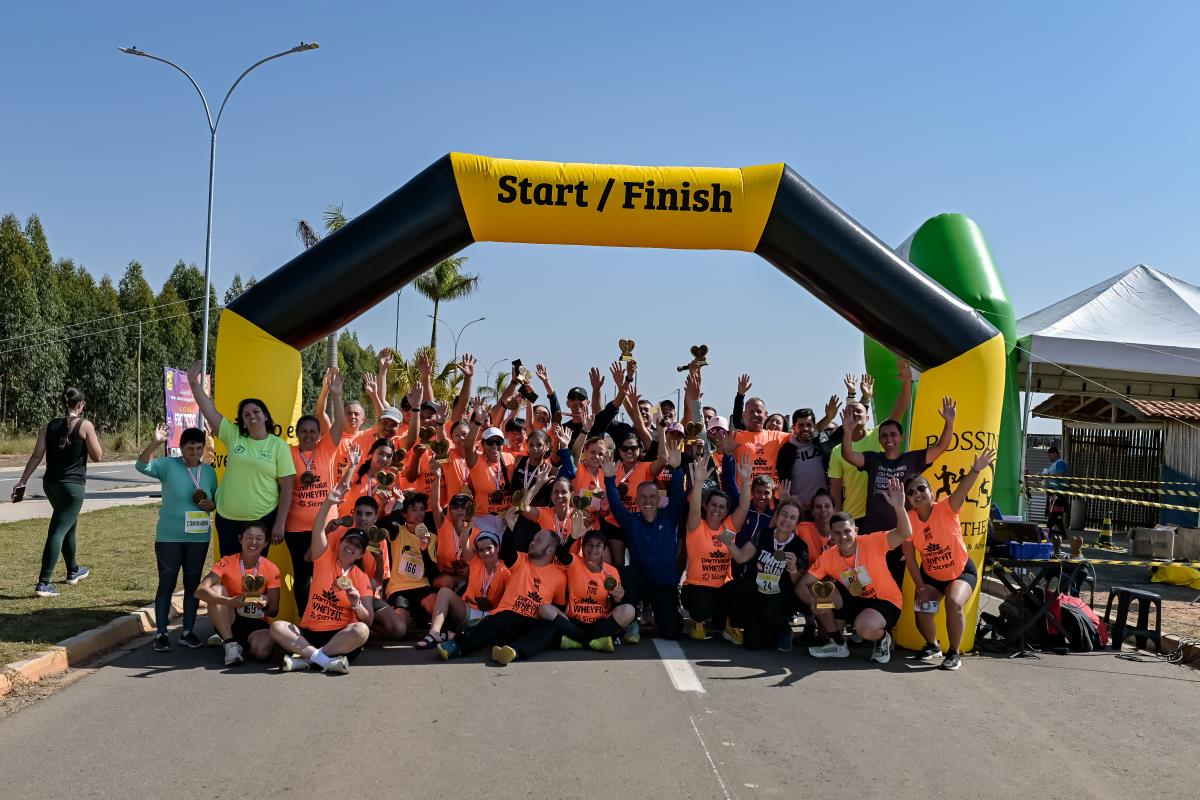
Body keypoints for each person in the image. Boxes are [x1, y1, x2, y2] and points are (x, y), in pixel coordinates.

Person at [797, 477, 911, 665]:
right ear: (831, 536)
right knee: (821, 590)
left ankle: (883, 639)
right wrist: (814, 603)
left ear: (855, 530)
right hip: (855, 598)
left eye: (847, 531)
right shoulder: (829, 556)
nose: (843, 536)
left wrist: (899, 507)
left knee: (864, 629)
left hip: (885, 602)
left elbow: (904, 533)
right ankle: (838, 643)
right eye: (837, 533)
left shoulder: (873, 542)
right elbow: (803, 585)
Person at [187, 361, 295, 559]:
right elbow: (209, 410)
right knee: (229, 573)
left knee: (253, 576)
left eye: (256, 412)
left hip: (261, 520)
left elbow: (287, 487)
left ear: (265, 416)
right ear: (242, 421)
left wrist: (280, 523)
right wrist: (193, 384)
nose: (251, 416)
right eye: (246, 414)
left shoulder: (278, 445)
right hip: (227, 519)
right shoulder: (234, 435)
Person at [904, 449, 995, 671]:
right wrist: (921, 586)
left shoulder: (947, 507)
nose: (917, 493)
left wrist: (976, 469)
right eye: (911, 491)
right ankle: (933, 645)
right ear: (908, 499)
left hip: (961, 572)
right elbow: (910, 560)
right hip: (932, 576)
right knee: (922, 611)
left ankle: (953, 653)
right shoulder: (908, 521)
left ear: (931, 492)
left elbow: (962, 489)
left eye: (921, 488)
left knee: (954, 603)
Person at [270, 485, 374, 674]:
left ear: (360, 554)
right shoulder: (324, 558)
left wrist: (357, 604)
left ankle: (308, 659)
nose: (351, 547)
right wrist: (327, 504)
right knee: (277, 626)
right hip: (310, 633)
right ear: (341, 542)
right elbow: (317, 530)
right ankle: (323, 660)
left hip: (339, 638)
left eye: (357, 546)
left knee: (361, 631)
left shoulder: (361, 577)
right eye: (349, 541)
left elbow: (369, 619)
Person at [436, 526, 572, 664]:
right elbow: (507, 552)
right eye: (533, 539)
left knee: (550, 625)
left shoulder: (559, 576)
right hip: (507, 620)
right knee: (502, 619)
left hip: (532, 623)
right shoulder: (521, 559)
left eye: (539, 540)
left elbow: (559, 608)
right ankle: (458, 646)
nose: (533, 542)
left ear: (550, 549)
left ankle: (514, 652)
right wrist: (510, 528)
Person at [15, 387, 103, 597]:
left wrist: (22, 481)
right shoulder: (85, 425)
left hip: (51, 484)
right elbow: (98, 456)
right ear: (81, 405)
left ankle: (73, 570)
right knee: (58, 530)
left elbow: (36, 456)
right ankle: (43, 582)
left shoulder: (48, 426)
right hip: (72, 487)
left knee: (68, 525)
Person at [136, 423, 217, 651]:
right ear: (181, 448)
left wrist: (211, 505)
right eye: (190, 448)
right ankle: (161, 633)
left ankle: (188, 631)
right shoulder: (168, 466)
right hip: (169, 537)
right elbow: (141, 465)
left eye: (199, 448)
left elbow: (215, 502)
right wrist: (155, 442)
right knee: (167, 583)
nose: (195, 453)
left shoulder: (209, 472)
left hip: (198, 538)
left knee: (193, 585)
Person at [602, 446, 686, 639]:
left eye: (652, 497)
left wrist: (677, 469)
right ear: (637, 500)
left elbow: (678, 497)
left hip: (665, 586)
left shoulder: (669, 517)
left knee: (672, 631)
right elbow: (615, 504)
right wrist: (609, 478)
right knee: (627, 572)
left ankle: (664, 613)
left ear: (658, 500)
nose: (647, 501)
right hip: (642, 585)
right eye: (643, 497)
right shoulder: (631, 522)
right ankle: (631, 619)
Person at [839, 396, 956, 533]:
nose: (889, 439)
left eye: (893, 434)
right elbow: (848, 455)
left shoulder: (912, 459)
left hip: (904, 533)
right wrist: (847, 431)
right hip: (874, 532)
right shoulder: (873, 459)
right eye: (884, 435)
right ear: (879, 439)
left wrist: (949, 422)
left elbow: (941, 447)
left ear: (901, 437)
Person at [284, 368, 345, 614]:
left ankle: (327, 619)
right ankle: (305, 621)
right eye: (304, 431)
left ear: (319, 434)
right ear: (297, 433)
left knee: (327, 573)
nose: (308, 435)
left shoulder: (326, 448)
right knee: (302, 575)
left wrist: (336, 395)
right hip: (296, 528)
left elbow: (340, 423)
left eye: (313, 431)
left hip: (327, 527)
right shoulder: (287, 453)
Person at [827, 364, 914, 523]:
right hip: (853, 517)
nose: (855, 414)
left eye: (859, 411)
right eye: (850, 411)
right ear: (844, 418)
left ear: (867, 418)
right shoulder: (837, 451)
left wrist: (907, 382)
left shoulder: (879, 435)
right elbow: (835, 491)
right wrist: (837, 520)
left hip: (884, 512)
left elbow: (900, 408)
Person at [681, 457, 752, 643]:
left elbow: (744, 507)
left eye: (722, 507)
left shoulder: (728, 527)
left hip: (722, 588)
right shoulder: (696, 526)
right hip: (697, 587)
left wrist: (745, 481)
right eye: (713, 504)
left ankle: (730, 626)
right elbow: (694, 508)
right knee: (703, 608)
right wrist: (698, 483)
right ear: (706, 505)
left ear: (726, 511)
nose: (717, 509)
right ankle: (698, 622)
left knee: (743, 588)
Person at [728, 497, 810, 652]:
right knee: (753, 644)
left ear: (797, 522)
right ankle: (746, 626)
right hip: (758, 593)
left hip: (781, 597)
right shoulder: (763, 534)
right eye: (784, 515)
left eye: (792, 518)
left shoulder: (800, 546)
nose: (787, 520)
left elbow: (798, 584)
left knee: (770, 613)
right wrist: (728, 542)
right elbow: (741, 557)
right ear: (777, 515)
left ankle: (785, 628)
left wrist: (792, 569)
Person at [195, 522, 281, 666]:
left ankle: (238, 647)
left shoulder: (271, 569)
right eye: (249, 537)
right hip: (230, 617)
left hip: (257, 622)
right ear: (240, 539)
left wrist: (264, 605)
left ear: (266, 543)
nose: (253, 542)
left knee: (263, 652)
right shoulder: (227, 562)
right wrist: (231, 601)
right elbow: (200, 591)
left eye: (259, 538)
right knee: (216, 590)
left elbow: (274, 611)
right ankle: (230, 643)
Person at [543, 530, 638, 651]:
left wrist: (618, 598)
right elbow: (561, 553)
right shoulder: (574, 562)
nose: (593, 549)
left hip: (600, 623)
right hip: (573, 622)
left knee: (629, 610)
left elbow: (616, 603)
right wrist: (572, 537)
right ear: (582, 546)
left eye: (598, 545)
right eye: (589, 544)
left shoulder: (611, 571)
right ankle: (592, 641)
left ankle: (577, 641)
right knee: (545, 609)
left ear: (604, 550)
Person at [419, 529, 510, 649]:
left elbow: (509, 599)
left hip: (489, 617)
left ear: (498, 547)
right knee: (444, 592)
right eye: (481, 550)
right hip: (467, 611)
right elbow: (463, 542)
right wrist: (467, 523)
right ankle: (434, 633)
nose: (486, 553)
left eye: (489, 548)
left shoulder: (506, 570)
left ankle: (454, 635)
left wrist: (493, 606)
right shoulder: (476, 561)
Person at [382, 492, 438, 639]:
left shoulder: (431, 537)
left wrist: (424, 549)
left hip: (422, 586)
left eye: (422, 509)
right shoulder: (397, 531)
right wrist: (399, 501)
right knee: (399, 630)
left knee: (436, 607)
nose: (419, 513)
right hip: (399, 589)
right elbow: (391, 522)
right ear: (404, 514)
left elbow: (431, 572)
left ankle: (433, 628)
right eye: (414, 509)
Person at [1042, 444, 1070, 540]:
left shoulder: (1060, 463)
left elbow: (1059, 475)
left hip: (1058, 493)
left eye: (1050, 455)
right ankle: (1060, 534)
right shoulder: (1052, 465)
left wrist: (1047, 476)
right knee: (1055, 516)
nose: (1048, 457)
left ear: (1055, 454)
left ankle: (1046, 533)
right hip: (1053, 492)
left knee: (1055, 514)